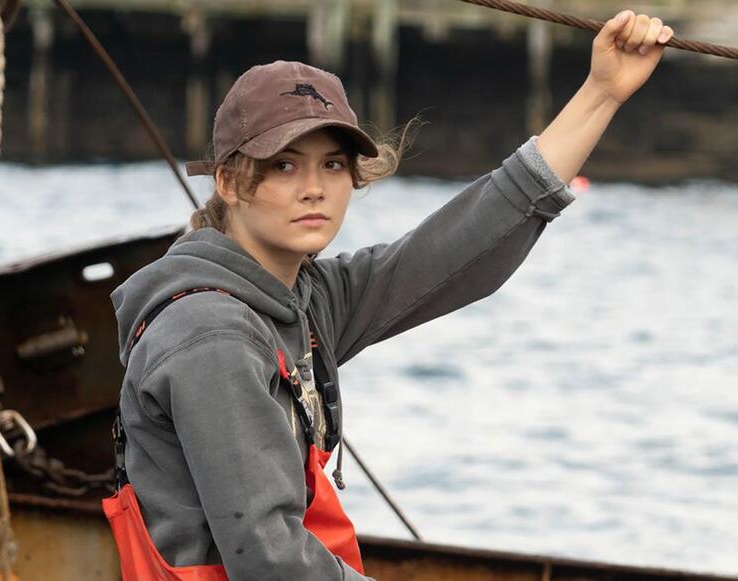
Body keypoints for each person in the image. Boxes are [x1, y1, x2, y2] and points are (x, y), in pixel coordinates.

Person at [106, 9, 674, 581]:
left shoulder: (299, 297)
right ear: (228, 182)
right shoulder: (213, 336)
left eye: (332, 165)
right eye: (283, 165)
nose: (313, 188)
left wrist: (601, 92)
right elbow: (268, 558)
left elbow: (451, 254)